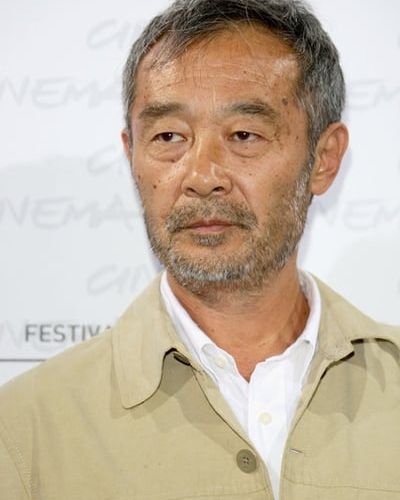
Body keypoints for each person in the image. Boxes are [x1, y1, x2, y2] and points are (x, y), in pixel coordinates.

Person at [1, 0, 399, 498]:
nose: (203, 175)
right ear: (131, 154)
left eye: (244, 135)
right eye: (169, 136)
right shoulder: (26, 430)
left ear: (324, 159)